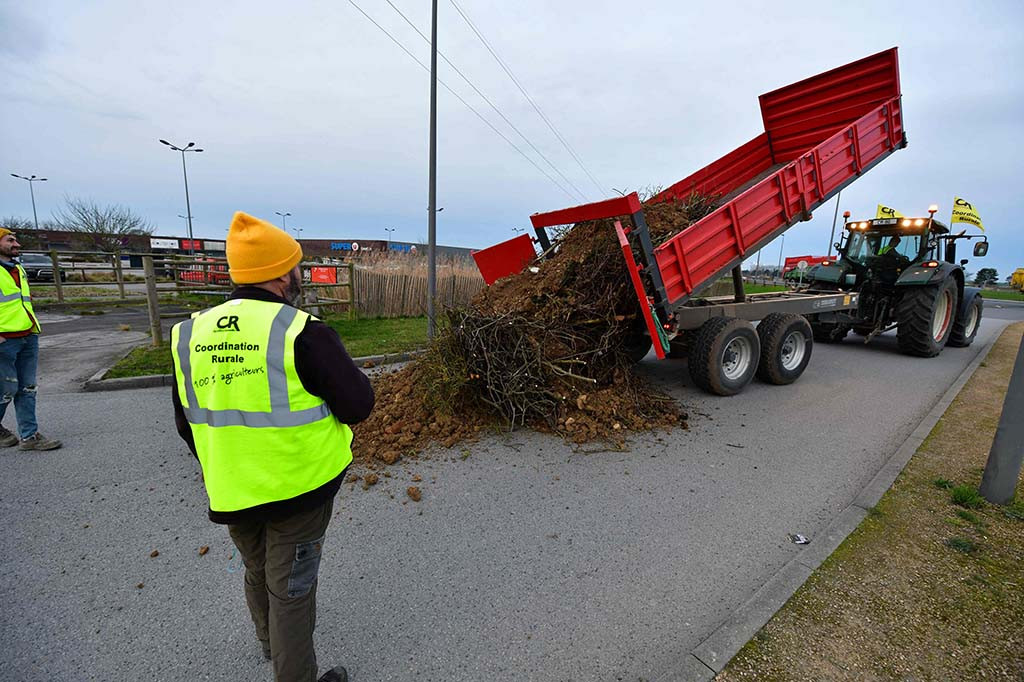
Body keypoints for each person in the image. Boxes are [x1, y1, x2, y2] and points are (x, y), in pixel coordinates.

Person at [171, 212, 374, 682]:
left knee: (258, 570)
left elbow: (186, 424)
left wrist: (228, 461)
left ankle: (269, 644)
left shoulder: (189, 334)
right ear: (283, 272)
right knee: (293, 589)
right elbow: (358, 404)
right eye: (296, 265)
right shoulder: (303, 331)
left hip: (230, 487)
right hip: (297, 487)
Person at [0, 228, 61, 451]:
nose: (16, 244)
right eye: (10, 240)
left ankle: (29, 436)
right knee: (6, 389)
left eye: (15, 240)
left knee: (27, 388)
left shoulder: (18, 268)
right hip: (5, 340)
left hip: (27, 334)